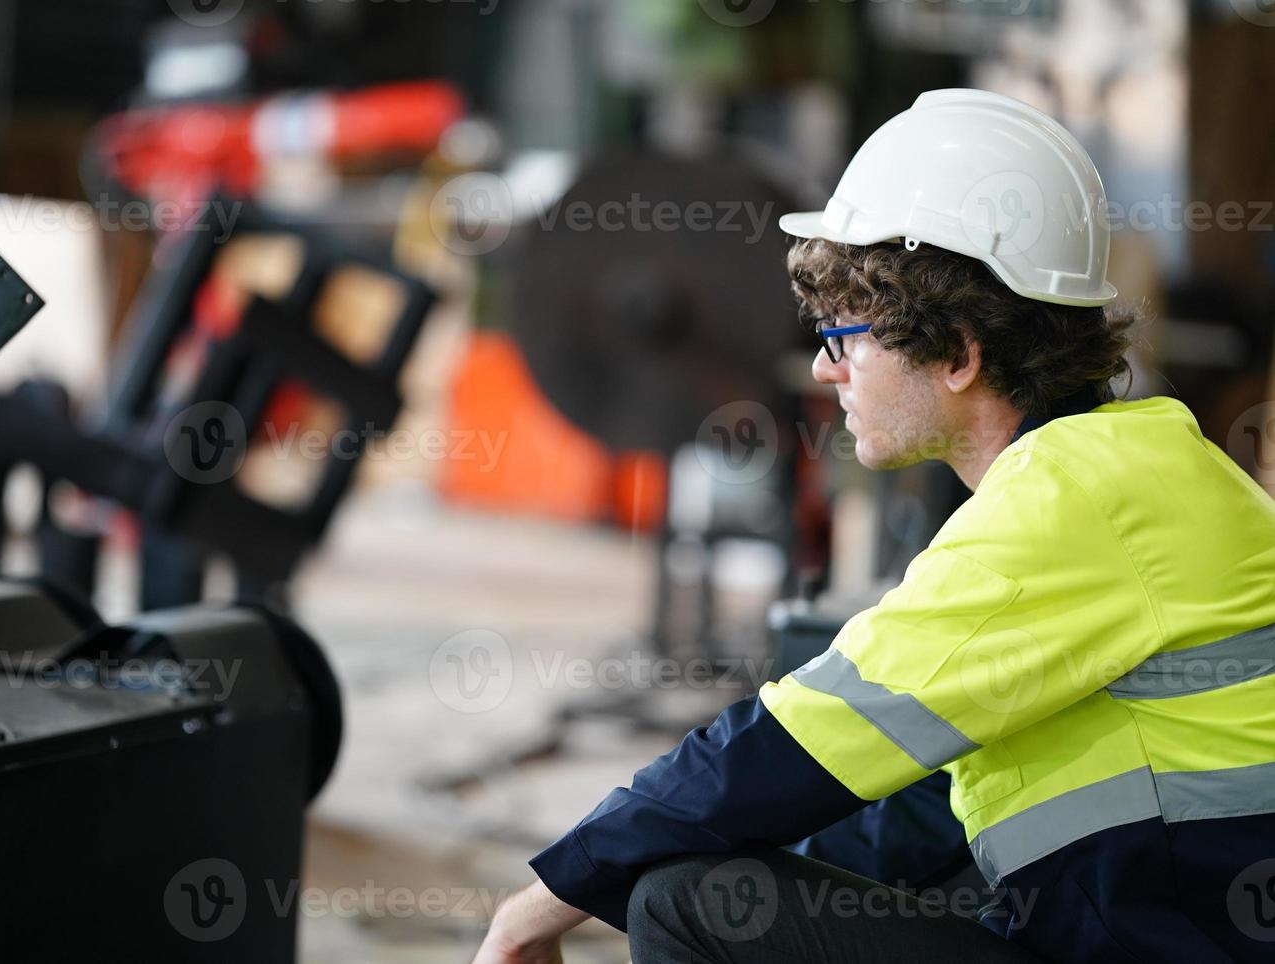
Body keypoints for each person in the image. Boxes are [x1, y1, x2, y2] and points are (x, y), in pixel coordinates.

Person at [470, 89, 1275, 963]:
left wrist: (545, 900)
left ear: (961, 352)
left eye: (844, 336)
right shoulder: (1130, 464)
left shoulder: (1071, 500)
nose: (824, 369)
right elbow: (923, 809)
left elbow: (799, 737)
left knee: (690, 905)